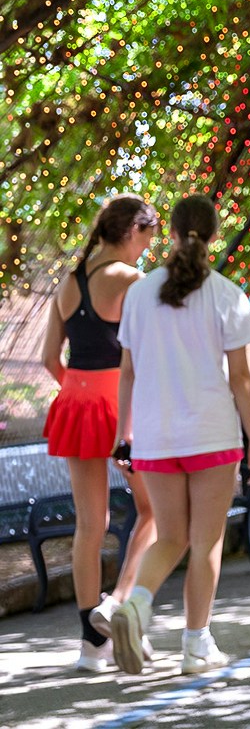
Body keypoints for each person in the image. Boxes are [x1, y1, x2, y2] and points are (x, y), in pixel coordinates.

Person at [109, 194, 250, 676]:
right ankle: (196, 646)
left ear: (172, 235)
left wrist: (124, 437)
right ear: (213, 237)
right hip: (212, 436)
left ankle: (136, 603)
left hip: (156, 439)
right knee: (205, 543)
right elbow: (240, 380)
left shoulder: (139, 293)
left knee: (170, 536)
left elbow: (127, 372)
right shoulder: (227, 295)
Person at [39, 194, 161, 672]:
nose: (145, 252)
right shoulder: (132, 281)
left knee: (90, 526)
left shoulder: (67, 283)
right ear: (132, 231)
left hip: (78, 407)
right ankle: (120, 605)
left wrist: (80, 392)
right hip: (122, 414)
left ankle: (92, 641)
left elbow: (52, 358)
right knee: (153, 512)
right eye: (146, 240)